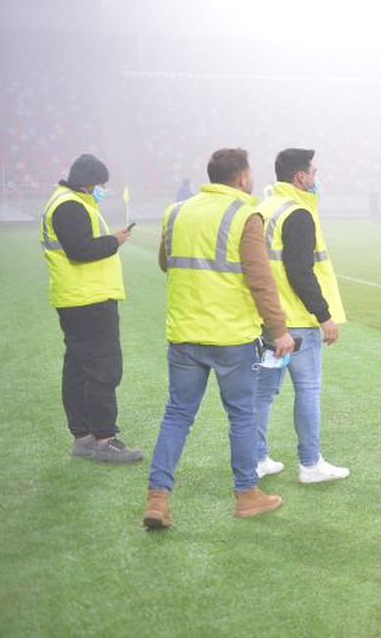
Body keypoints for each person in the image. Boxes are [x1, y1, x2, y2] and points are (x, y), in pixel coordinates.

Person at [142, 148, 295, 530]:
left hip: (184, 332)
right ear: (242, 177)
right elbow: (261, 280)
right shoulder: (246, 214)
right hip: (231, 336)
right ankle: (246, 495)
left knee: (178, 414)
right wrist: (279, 330)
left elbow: (166, 262)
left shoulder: (175, 212)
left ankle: (158, 498)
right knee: (242, 415)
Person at [255, 149, 350, 484]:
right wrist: (324, 315)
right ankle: (310, 464)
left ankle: (258, 458)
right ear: (300, 177)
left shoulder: (263, 208)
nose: (316, 178)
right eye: (313, 172)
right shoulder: (298, 213)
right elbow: (300, 271)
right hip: (297, 321)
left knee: (263, 394)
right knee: (307, 389)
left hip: (267, 320)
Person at [40, 153, 142, 463]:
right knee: (102, 369)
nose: (103, 190)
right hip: (88, 300)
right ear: (87, 182)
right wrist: (114, 241)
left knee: (78, 369)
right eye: (101, 184)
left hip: (78, 298)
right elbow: (81, 250)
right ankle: (104, 439)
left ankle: (83, 437)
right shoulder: (70, 205)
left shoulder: (65, 201)